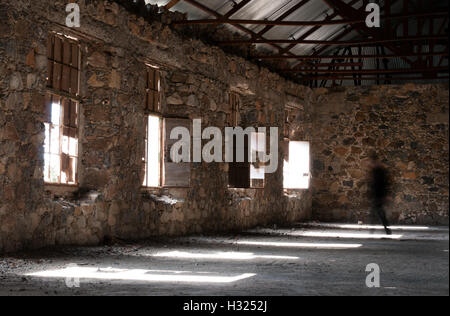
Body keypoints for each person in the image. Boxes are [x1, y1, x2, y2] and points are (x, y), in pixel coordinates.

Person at [368, 153, 392, 235]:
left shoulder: (379, 171)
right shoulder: (377, 170)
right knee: (379, 212)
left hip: (379, 194)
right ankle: (385, 228)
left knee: (378, 212)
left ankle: (384, 229)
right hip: (378, 194)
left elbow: (382, 184)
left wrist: (385, 195)